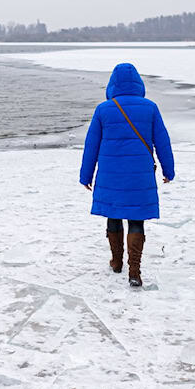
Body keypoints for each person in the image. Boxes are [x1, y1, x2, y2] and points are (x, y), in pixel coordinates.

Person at [79, 62, 176, 287]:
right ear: (138, 84)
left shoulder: (104, 109)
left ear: (112, 84)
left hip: (110, 175)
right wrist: (168, 170)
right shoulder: (150, 108)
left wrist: (86, 176)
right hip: (139, 175)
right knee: (136, 219)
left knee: (113, 215)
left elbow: (91, 145)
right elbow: (163, 142)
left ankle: (116, 262)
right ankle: (134, 271)